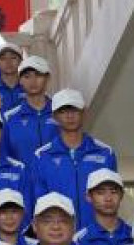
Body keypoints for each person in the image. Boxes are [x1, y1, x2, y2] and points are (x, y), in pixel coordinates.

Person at [31, 89, 118, 229]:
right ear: (54, 116)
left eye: (74, 110)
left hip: (97, 235)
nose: (69, 116)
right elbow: (39, 203)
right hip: (59, 235)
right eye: (63, 111)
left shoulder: (105, 153)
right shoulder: (41, 157)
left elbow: (113, 199)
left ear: (84, 112)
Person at [74, 168, 134, 245]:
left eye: (113, 192)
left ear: (122, 196)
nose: (108, 198)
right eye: (100, 193)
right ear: (88, 197)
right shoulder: (78, 241)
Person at [3, 56, 56, 165]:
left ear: (47, 78)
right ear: (20, 81)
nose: (33, 81)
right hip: (24, 176)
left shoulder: (60, 112)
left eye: (38, 75)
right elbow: (4, 156)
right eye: (27, 77)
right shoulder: (8, 118)